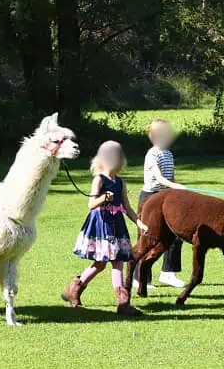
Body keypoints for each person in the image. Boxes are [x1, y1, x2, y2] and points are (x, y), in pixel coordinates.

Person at [63, 142, 146, 316]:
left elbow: (128, 208)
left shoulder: (121, 183)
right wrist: (104, 198)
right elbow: (91, 204)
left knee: (106, 262)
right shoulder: (99, 179)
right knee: (107, 262)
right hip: (101, 224)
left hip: (116, 224)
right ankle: (123, 303)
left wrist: (139, 223)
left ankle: (74, 290)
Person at [139, 118, 190, 291]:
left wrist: (178, 191)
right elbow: (159, 178)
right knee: (148, 239)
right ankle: (141, 279)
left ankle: (169, 272)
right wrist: (175, 186)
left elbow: (171, 177)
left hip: (166, 197)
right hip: (150, 198)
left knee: (176, 235)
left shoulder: (168, 153)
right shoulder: (152, 154)